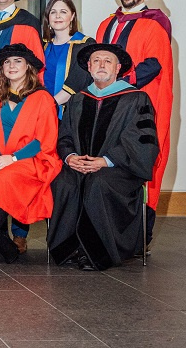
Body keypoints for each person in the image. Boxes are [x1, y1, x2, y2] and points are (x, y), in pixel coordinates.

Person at [48, 43, 158, 271]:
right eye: (96, 61)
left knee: (99, 183)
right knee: (64, 182)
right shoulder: (78, 99)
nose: (101, 65)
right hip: (80, 164)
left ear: (118, 68)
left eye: (107, 61)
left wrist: (105, 161)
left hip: (120, 168)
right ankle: (71, 248)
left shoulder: (136, 99)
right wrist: (70, 157)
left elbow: (139, 139)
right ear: (88, 67)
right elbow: (64, 135)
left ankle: (98, 252)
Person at [0, 44, 61, 265]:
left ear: (28, 67)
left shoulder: (42, 98)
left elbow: (44, 140)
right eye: (7, 62)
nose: (11, 65)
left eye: (17, 61)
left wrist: (13, 158)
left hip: (33, 160)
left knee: (4, 179)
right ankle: (3, 241)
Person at [95, 0, 172, 243]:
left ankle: (138, 238)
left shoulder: (155, 22)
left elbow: (154, 64)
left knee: (139, 162)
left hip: (142, 106)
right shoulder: (107, 23)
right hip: (108, 104)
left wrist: (118, 85)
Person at [41, 0, 95, 117]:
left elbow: (77, 82)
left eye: (63, 12)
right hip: (43, 111)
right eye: (53, 12)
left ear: (72, 16)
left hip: (72, 114)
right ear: (48, 18)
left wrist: (48, 106)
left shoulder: (85, 45)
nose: (58, 16)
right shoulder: (43, 46)